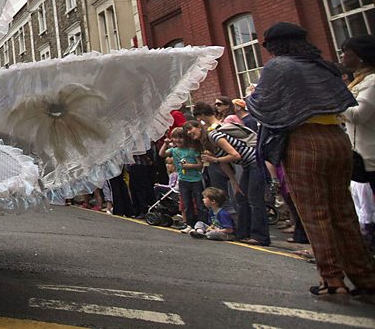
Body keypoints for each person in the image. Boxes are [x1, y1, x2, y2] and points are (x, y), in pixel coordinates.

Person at [246, 21, 375, 296]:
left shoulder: (279, 67)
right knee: (343, 211)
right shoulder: (323, 65)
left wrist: (250, 99)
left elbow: (261, 105)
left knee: (315, 213)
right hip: (338, 141)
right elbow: (345, 103)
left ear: (275, 45)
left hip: (304, 142)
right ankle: (365, 277)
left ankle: (332, 280)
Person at [192, 101, 268, 245]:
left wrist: (213, 159)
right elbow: (224, 162)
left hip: (254, 162)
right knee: (241, 197)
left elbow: (235, 155)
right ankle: (243, 233)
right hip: (247, 165)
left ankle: (261, 237)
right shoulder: (211, 136)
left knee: (254, 200)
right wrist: (234, 181)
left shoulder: (214, 135)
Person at [341, 35, 375, 198]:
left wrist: (336, 99)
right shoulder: (358, 82)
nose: (342, 56)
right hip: (363, 158)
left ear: (359, 56)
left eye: (346, 52)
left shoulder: (372, 81)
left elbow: (358, 114)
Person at [159, 126, 203, 232]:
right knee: (187, 203)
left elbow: (200, 165)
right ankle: (189, 224)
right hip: (183, 179)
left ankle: (202, 224)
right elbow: (162, 154)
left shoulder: (192, 150)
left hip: (195, 180)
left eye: (180, 137)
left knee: (199, 203)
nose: (177, 140)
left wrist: (190, 166)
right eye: (175, 138)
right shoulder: (174, 150)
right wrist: (165, 144)